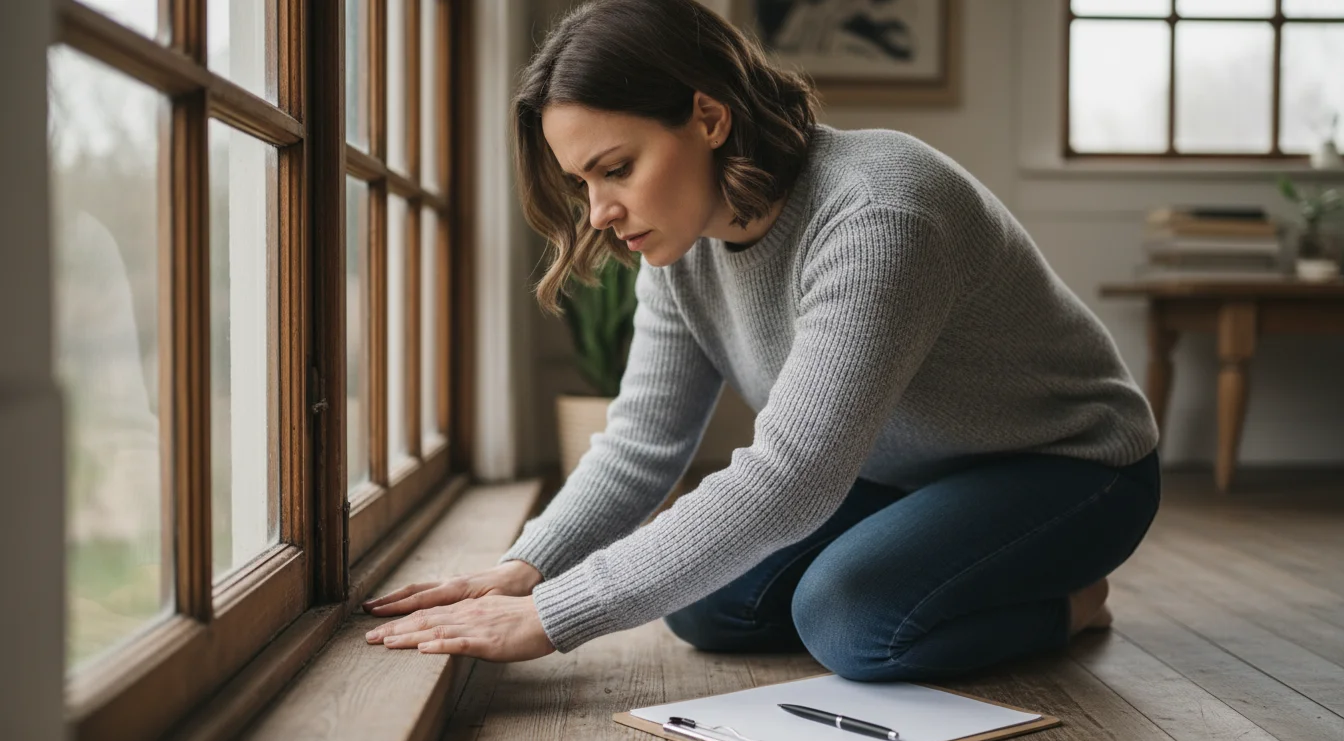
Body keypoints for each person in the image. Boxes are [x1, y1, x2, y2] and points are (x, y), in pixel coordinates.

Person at [363, 0, 1161, 682]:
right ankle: (936, 559)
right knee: (709, 608)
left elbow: (792, 477)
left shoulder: (879, 214)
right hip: (909, 473)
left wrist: (552, 617)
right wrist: (529, 567)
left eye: (617, 167)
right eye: (583, 183)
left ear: (709, 118)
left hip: (1072, 468)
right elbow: (642, 442)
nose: (600, 211)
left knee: (851, 619)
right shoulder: (677, 243)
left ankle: (1072, 605)